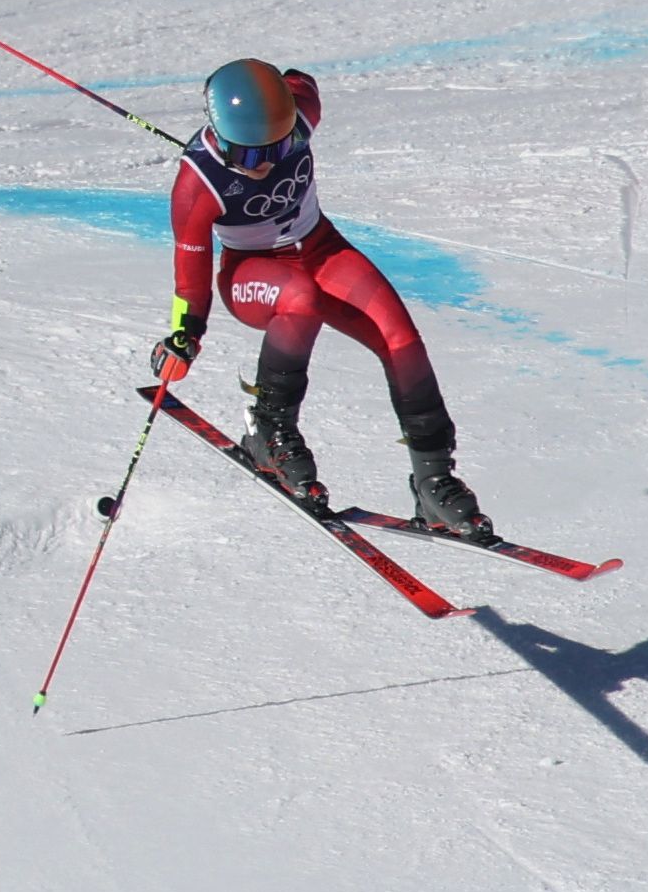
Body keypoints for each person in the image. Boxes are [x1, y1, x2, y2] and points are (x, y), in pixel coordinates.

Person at [149, 58, 489, 535]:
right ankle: (269, 431)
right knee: (301, 296)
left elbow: (301, 83)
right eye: (248, 156)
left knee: (401, 339)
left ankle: (434, 479)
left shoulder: (299, 111)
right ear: (222, 140)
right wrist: (185, 335)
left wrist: (282, 84)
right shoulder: (196, 186)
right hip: (253, 273)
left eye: (282, 145)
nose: (265, 162)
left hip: (323, 249)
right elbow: (191, 278)